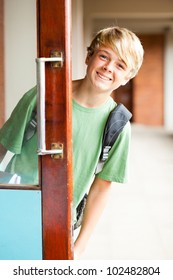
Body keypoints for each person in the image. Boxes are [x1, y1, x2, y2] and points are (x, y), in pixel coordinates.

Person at [0, 26, 144, 259]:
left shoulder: (117, 125)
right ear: (89, 56)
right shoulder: (43, 95)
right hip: (13, 208)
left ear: (128, 77)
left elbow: (101, 189)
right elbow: (3, 145)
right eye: (104, 56)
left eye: (120, 65)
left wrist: (79, 246)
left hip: (58, 223)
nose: (108, 68)